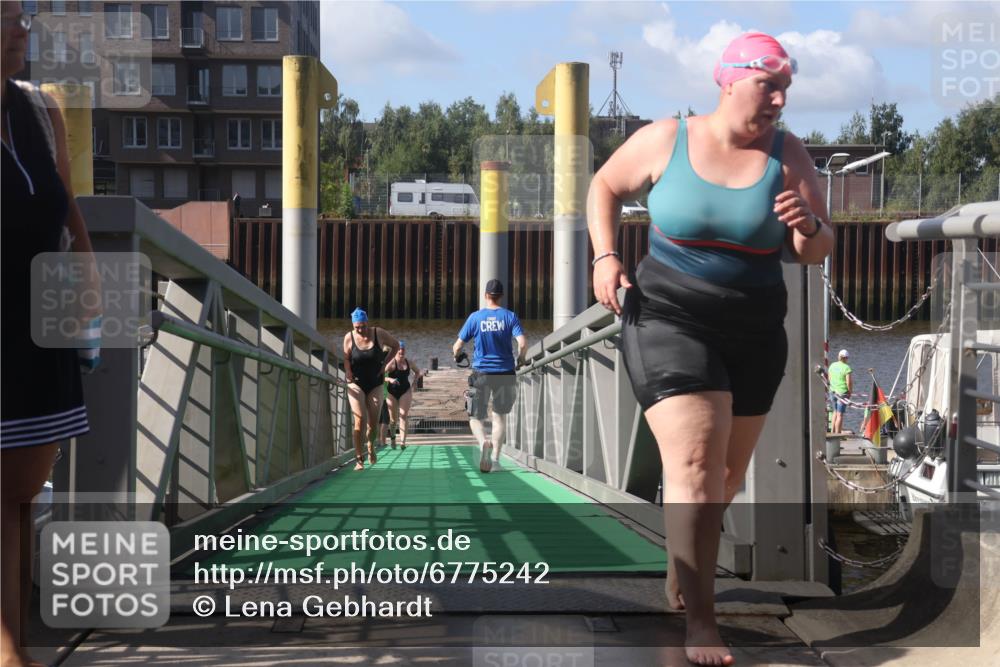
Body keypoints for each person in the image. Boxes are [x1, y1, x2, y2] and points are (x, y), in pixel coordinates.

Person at [586, 32, 833, 665]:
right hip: (667, 315)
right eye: (767, 84)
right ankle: (702, 619)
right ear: (727, 81)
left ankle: (684, 565)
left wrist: (807, 226)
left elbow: (815, 249)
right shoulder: (668, 138)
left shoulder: (789, 154)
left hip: (754, 330)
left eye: (786, 88)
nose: (779, 98)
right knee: (695, 464)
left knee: (724, 475)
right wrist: (607, 255)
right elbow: (605, 187)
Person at [2, 4, 99, 665]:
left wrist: (96, 290)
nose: (22, 30)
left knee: (19, 500)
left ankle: (20, 644)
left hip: (39, 330)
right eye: (8, 18)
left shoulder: (39, 108)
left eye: (23, 16)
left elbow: (67, 208)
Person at [453, 280, 527, 473]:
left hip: (481, 372)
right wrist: (521, 359)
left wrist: (457, 356)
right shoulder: (510, 316)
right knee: (499, 416)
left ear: (486, 295)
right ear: (500, 296)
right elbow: (522, 343)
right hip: (505, 372)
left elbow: (457, 346)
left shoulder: (475, 318)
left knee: (475, 416)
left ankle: (483, 442)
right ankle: (495, 460)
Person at [342, 308, 399, 470]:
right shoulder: (349, 337)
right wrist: (347, 370)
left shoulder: (378, 333)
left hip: (376, 383)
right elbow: (346, 357)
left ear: (367, 322)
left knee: (372, 424)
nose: (360, 330)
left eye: (363, 326)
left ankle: (371, 447)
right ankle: (359, 459)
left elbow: (395, 346)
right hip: (356, 382)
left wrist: (384, 364)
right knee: (359, 420)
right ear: (353, 326)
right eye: (357, 327)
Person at [382, 341, 426, 450]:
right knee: (393, 419)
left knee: (403, 415)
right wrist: (390, 379)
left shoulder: (409, 362)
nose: (401, 352)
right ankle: (392, 438)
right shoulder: (391, 363)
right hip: (391, 392)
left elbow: (418, 372)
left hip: (405, 391)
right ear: (395, 351)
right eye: (399, 350)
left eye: (403, 350)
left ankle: (402, 442)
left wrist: (414, 383)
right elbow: (380, 376)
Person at [828, 349, 853, 434]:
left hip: (832, 392)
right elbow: (848, 382)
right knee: (840, 414)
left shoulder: (832, 365)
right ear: (846, 358)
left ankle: (832, 432)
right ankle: (838, 434)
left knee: (835, 412)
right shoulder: (846, 368)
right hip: (842, 393)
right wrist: (850, 392)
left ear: (839, 357)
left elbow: (829, 379)